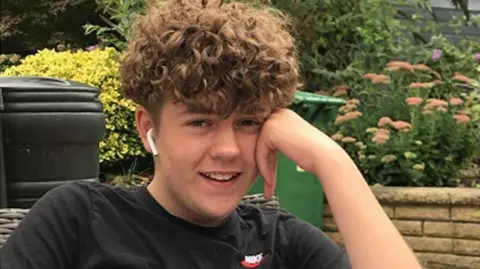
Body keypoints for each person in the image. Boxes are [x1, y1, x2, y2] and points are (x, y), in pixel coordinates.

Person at [1, 0, 422, 268]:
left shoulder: (282, 242)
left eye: (248, 122)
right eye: (200, 122)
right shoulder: (77, 219)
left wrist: (332, 161)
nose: (227, 150)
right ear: (150, 129)